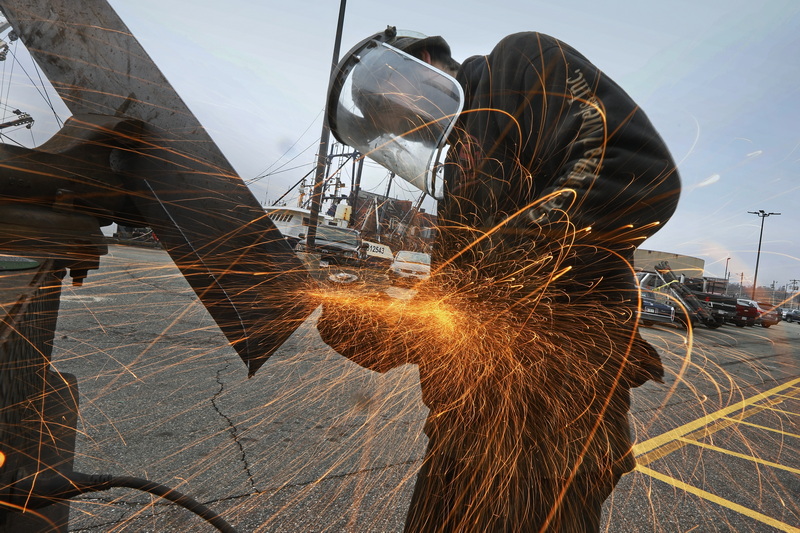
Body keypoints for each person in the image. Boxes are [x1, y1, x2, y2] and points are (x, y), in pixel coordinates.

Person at [318, 27, 681, 532]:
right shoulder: (459, 169)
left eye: (392, 114)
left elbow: (636, 168)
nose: (400, 130)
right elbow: (457, 300)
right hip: (462, 433)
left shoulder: (518, 66)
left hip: (552, 430)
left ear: (421, 64)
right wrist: (388, 330)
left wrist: (503, 265)